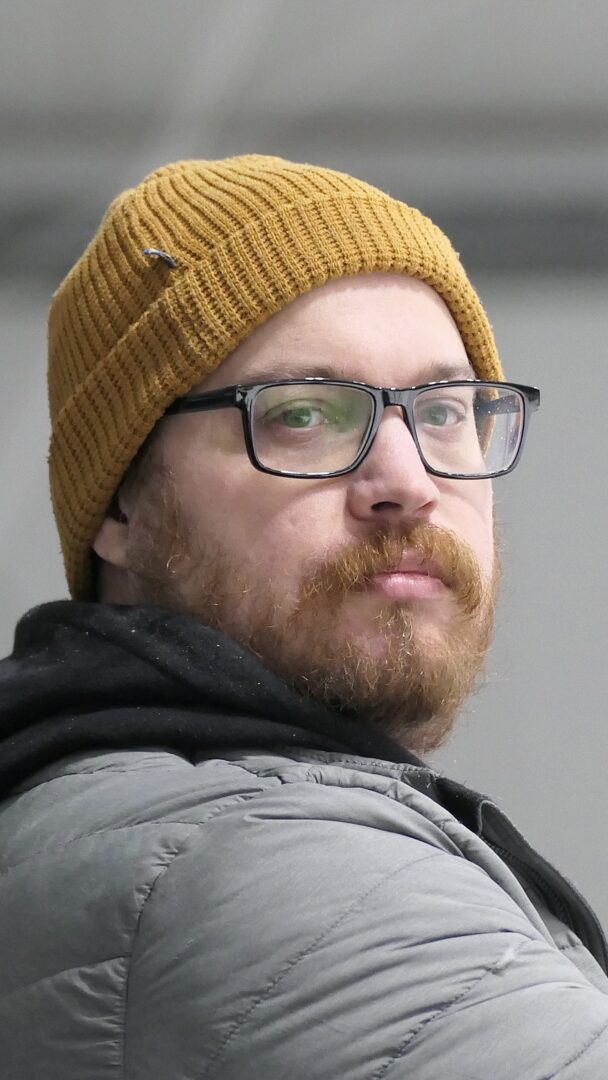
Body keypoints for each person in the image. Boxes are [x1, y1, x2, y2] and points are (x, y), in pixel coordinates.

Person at [0, 154, 606, 1079]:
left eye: (444, 412)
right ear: (121, 504)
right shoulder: (246, 868)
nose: (407, 482)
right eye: (303, 415)